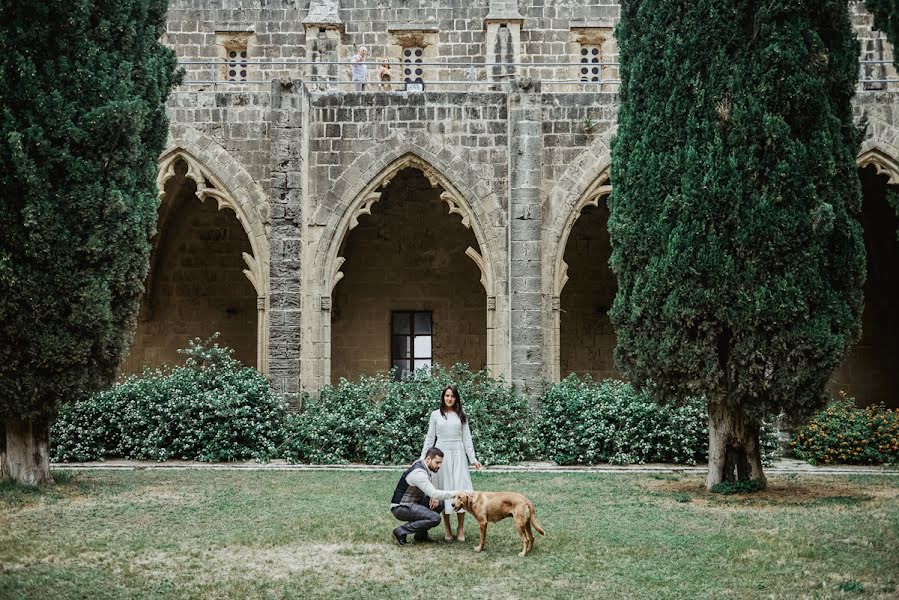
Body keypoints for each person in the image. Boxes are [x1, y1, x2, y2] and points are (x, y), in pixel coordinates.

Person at [421, 385, 482, 542]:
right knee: (444, 489)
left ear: (456, 398)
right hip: (441, 455)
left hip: (458, 455)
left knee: (461, 489)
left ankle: (460, 528)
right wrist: (423, 458)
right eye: (447, 395)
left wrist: (473, 458)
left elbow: (467, 438)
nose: (449, 398)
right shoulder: (435, 415)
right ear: (443, 397)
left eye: (452, 396)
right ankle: (447, 527)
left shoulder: (461, 416)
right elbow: (430, 438)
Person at [390, 447, 459, 545]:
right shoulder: (419, 473)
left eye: (440, 463)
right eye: (437, 462)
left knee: (440, 503)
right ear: (428, 459)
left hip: (413, 503)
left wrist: (432, 497)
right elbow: (434, 493)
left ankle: (420, 535)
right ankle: (400, 531)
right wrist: (457, 493)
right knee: (434, 518)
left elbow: (429, 490)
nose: (439, 466)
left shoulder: (422, 464)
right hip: (401, 507)